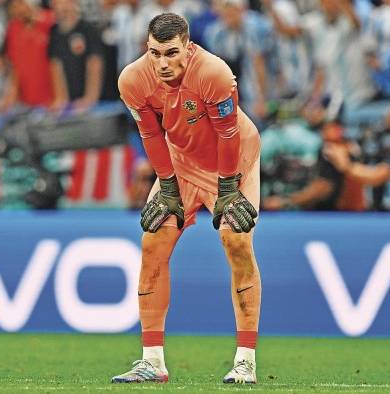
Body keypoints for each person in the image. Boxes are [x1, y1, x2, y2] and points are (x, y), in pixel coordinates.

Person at [113, 12, 261, 384]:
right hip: (181, 164)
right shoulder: (133, 79)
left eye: (170, 53)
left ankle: (245, 361)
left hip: (234, 161)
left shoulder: (214, 74)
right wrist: (166, 184)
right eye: (154, 53)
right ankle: (152, 362)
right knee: (152, 245)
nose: (162, 63)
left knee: (236, 240)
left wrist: (228, 189)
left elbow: (229, 134)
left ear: (188, 47)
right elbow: (150, 134)